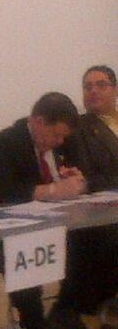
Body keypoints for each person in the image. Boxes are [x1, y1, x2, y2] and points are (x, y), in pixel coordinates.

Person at [0, 92, 86, 329]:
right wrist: (50, 190)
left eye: (63, 136)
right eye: (56, 135)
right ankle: (34, 321)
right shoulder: (5, 143)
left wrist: (76, 180)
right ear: (38, 122)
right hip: (15, 231)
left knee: (92, 240)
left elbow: (79, 176)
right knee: (25, 247)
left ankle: (66, 311)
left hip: (57, 224)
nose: (60, 141)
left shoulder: (62, 143)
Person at [45, 66, 118, 328]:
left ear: (115, 90)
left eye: (101, 85)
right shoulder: (79, 129)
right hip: (100, 214)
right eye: (88, 86)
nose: (93, 91)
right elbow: (86, 178)